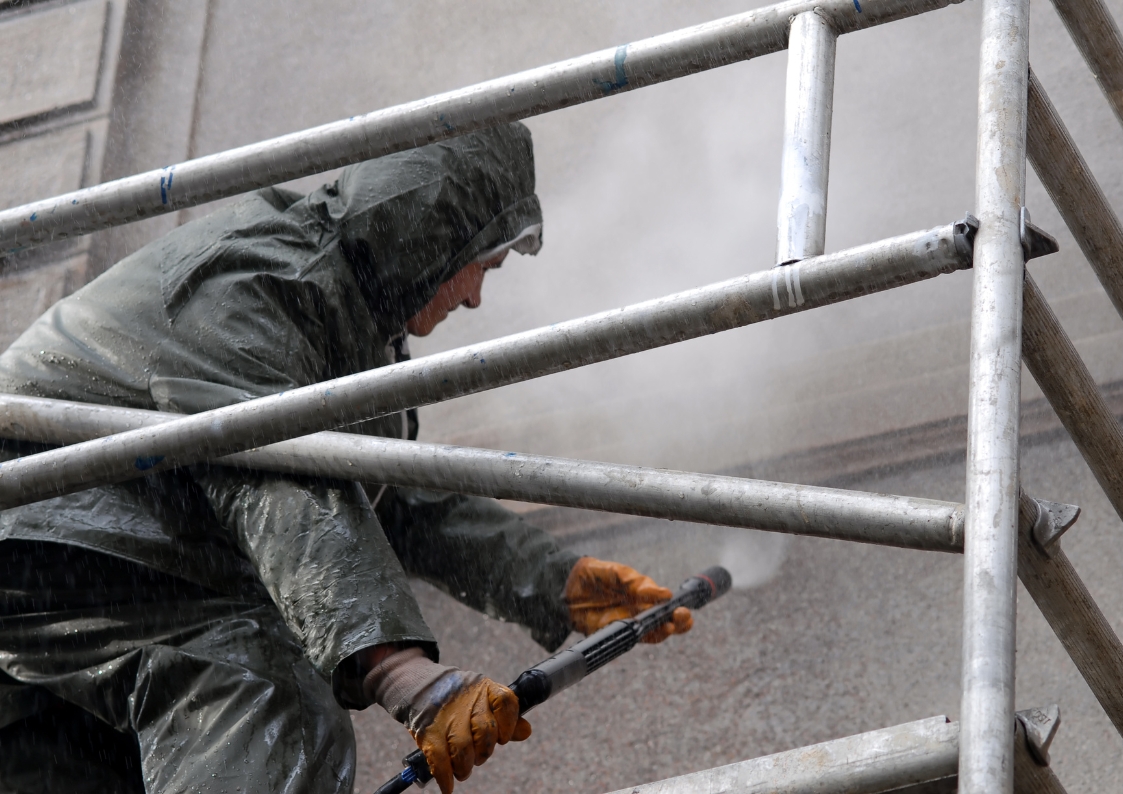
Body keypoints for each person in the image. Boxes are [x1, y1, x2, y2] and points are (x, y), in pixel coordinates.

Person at [0, 123, 691, 794]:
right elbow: (277, 477)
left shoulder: (337, 306)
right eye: (483, 266)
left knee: (101, 761)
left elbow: (385, 502)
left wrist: (552, 577)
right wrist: (402, 675)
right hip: (50, 528)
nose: (478, 296)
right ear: (435, 239)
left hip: (73, 552)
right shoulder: (262, 281)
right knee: (267, 693)